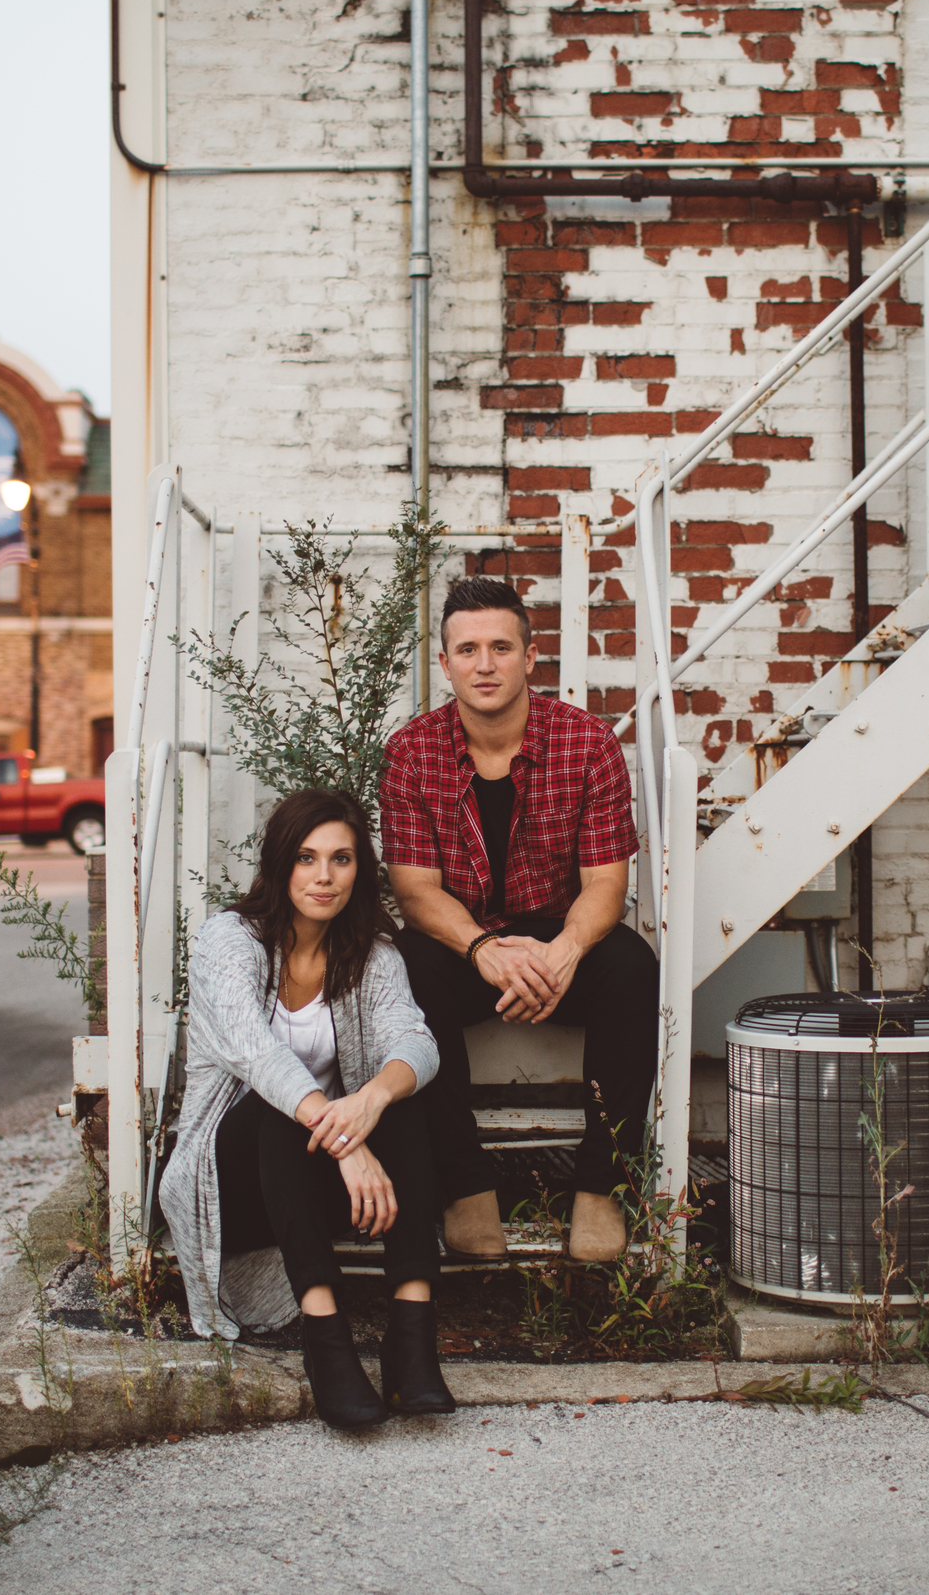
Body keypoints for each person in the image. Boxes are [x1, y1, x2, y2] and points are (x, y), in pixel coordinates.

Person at [157, 787, 455, 1430]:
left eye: (341, 860)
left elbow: (416, 1041)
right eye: (306, 858)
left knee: (398, 1098)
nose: (323, 876)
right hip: (235, 1178)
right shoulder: (227, 942)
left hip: (314, 1175)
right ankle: (327, 1339)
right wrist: (349, 1139)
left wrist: (372, 1099)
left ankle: (411, 1337)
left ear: (360, 870)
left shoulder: (371, 955)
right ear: (279, 864)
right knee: (278, 1107)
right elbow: (258, 1056)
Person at [382, 575, 659, 1264]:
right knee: (405, 967)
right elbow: (415, 892)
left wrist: (563, 950)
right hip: (462, 942)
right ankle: (465, 1184)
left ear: (530, 657)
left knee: (631, 967)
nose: (484, 663)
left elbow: (606, 882)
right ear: (444, 664)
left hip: (556, 936)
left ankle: (601, 1185)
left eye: (500, 646)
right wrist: (483, 950)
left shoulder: (587, 743)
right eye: (467, 649)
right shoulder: (411, 752)